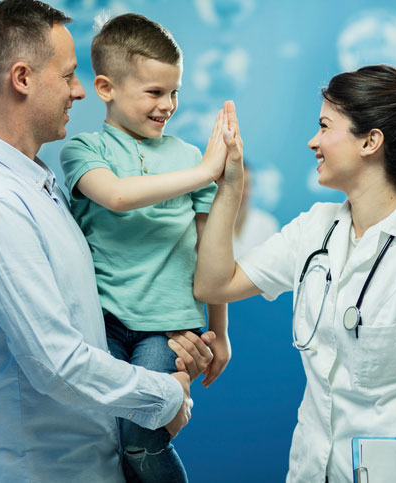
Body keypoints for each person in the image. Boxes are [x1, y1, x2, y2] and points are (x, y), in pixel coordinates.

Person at [0, 2, 214, 481]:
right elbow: (57, 363)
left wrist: (177, 356)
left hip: (94, 460)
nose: (80, 90)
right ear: (22, 78)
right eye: (68, 76)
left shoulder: (38, 184)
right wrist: (167, 394)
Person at [195, 65, 396, 482]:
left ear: (370, 141)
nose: (313, 141)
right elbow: (213, 284)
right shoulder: (314, 229)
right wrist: (230, 189)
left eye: (325, 126)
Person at [59, 13, 230, 482]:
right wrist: (206, 172)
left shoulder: (188, 156)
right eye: (154, 93)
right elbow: (115, 196)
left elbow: (210, 251)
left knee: (140, 438)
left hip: (169, 331)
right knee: (109, 439)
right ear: (105, 87)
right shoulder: (82, 150)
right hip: (105, 326)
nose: (168, 105)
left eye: (174, 92)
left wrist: (220, 332)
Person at [233, 161, 280, 257]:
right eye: (237, 185)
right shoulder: (209, 224)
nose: (243, 192)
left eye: (246, 185)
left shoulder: (267, 225)